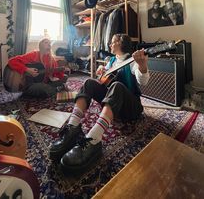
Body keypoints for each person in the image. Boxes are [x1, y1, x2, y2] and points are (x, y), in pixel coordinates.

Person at [49, 34, 150, 173]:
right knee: (89, 82)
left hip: (130, 108)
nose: (109, 44)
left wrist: (142, 66)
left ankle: (93, 139)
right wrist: (101, 72)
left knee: (117, 86)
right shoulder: (112, 60)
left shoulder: (131, 60)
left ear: (120, 44)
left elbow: (143, 81)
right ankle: (73, 127)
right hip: (114, 104)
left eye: (113, 42)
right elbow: (103, 79)